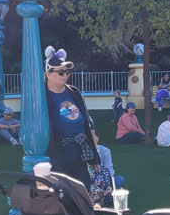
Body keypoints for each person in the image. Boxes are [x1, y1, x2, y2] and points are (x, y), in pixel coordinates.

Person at [44, 46, 99, 188]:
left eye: (67, 72)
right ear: (48, 74)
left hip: (80, 154)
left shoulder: (74, 92)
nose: (65, 75)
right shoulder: (42, 97)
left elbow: (87, 121)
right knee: (62, 197)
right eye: (61, 72)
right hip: (56, 157)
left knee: (83, 192)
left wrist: (93, 156)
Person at [88, 130, 124, 206]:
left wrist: (102, 179)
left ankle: (104, 196)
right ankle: (107, 196)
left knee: (119, 179)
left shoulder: (105, 151)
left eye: (93, 138)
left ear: (97, 138)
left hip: (104, 181)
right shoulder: (85, 152)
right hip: (90, 182)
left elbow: (110, 171)